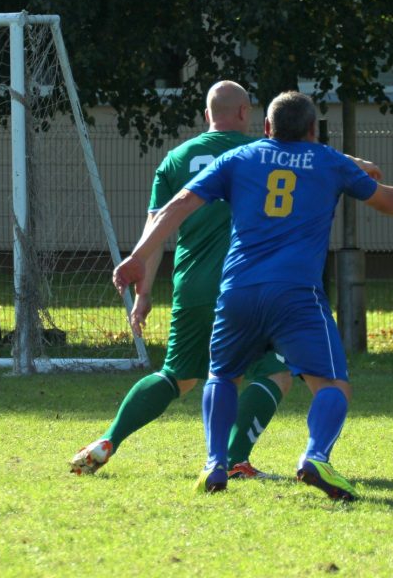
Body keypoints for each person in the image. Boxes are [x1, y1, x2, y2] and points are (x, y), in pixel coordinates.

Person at [113, 90, 393, 501]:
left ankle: (215, 463)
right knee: (332, 383)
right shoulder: (327, 160)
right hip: (296, 294)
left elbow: (179, 204)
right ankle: (316, 457)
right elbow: (385, 198)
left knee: (222, 376)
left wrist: (138, 256)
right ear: (313, 129)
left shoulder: (240, 158)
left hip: (238, 291)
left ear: (266, 127)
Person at [71, 80, 295, 480]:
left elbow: (155, 231)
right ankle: (235, 459)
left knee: (177, 376)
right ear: (245, 113)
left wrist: (143, 294)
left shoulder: (175, 160)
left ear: (207, 115)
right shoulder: (262, 154)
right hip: (247, 287)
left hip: (191, 287)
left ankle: (108, 440)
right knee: (275, 371)